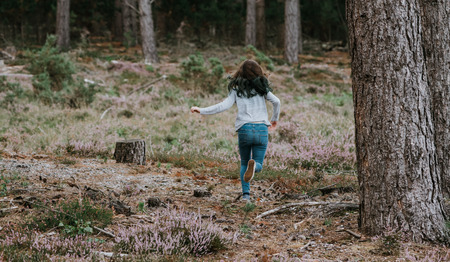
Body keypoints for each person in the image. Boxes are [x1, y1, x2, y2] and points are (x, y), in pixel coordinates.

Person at [190, 59, 281, 201]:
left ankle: (246, 196)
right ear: (258, 72)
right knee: (258, 164)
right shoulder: (262, 89)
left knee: (244, 162)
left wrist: (201, 110)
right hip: (261, 128)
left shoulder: (237, 89)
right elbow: (277, 101)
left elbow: (223, 106)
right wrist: (274, 119)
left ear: (240, 72)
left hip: (244, 129)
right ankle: (255, 166)